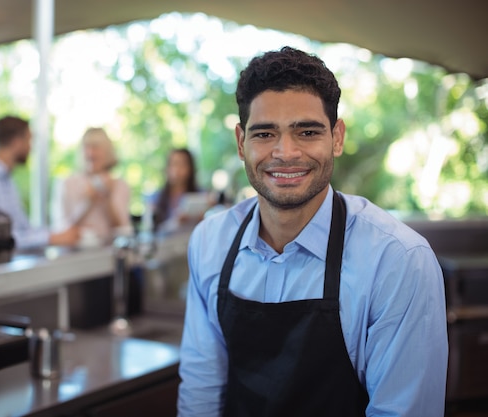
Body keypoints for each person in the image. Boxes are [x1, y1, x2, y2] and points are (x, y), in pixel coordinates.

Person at [177, 47, 448, 416]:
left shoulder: (397, 260)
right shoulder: (211, 243)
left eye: (306, 131)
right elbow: (201, 392)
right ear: (242, 143)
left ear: (336, 137)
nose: (285, 152)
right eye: (265, 133)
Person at [0, 115, 79, 249]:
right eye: (29, 141)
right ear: (17, 142)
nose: (32, 148)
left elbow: (22, 228)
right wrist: (50, 238)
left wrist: (56, 234)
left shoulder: (6, 179)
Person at [51, 127, 131, 245]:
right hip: (75, 255)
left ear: (107, 151)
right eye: (86, 147)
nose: (90, 153)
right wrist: (87, 203)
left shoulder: (120, 186)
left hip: (107, 253)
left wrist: (108, 199)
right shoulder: (66, 183)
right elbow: (61, 232)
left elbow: (123, 231)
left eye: (96, 147)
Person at [148, 148, 205, 233]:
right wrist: (176, 222)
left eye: (182, 164)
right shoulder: (155, 198)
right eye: (173, 164)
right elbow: (150, 230)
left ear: (190, 168)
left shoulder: (202, 196)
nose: (177, 169)